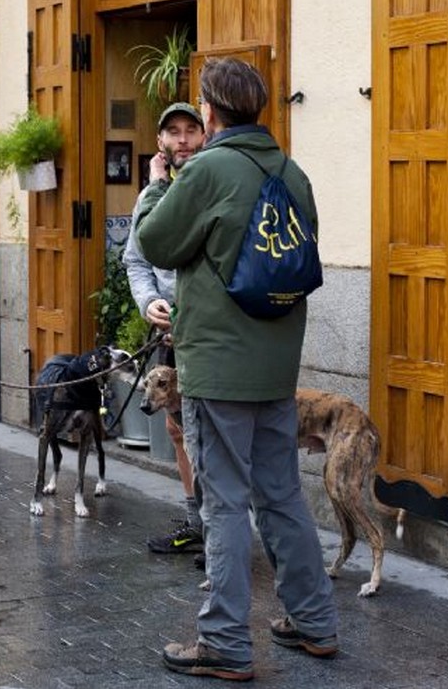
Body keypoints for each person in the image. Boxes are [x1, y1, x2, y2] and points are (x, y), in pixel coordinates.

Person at [135, 58, 338, 681]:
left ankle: (223, 640)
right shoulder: (292, 172)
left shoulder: (207, 169)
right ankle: (314, 622)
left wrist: (160, 184)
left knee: (222, 502)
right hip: (276, 367)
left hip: (218, 367)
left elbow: (155, 243)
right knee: (281, 496)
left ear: (210, 112)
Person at [122, 102, 206, 558]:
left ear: (204, 135)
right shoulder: (149, 195)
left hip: (205, 336)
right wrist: (148, 301)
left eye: (190, 130)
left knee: (209, 429)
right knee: (177, 429)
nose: (182, 140)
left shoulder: (211, 185)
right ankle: (196, 522)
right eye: (173, 132)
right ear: (160, 143)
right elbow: (136, 261)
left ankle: (220, 528)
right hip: (166, 333)